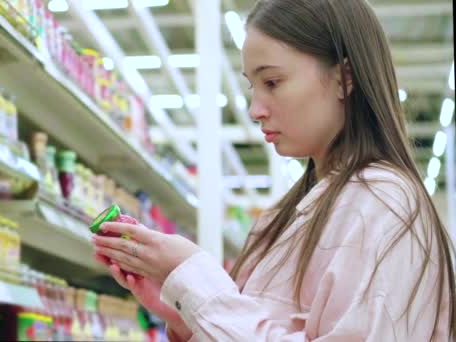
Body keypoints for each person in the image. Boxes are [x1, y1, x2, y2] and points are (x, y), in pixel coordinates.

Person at [92, 0, 455, 340]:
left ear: (345, 78)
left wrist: (196, 281)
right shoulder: (287, 215)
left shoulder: (382, 204)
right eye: (253, 87)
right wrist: (182, 312)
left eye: (273, 82)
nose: (255, 110)